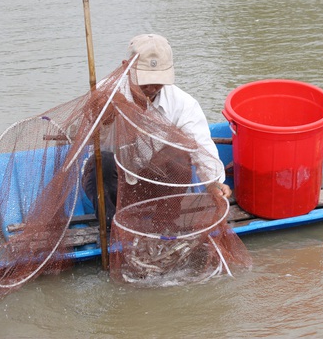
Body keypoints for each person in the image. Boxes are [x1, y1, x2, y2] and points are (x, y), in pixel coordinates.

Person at [83, 33, 230, 229]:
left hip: (151, 183)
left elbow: (200, 145)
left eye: (158, 80)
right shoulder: (104, 93)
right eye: (145, 80)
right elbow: (80, 136)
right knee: (105, 161)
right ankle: (112, 227)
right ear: (126, 66)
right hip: (111, 184)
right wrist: (100, 118)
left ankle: (165, 222)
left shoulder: (182, 103)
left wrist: (214, 183)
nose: (151, 87)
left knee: (179, 154)